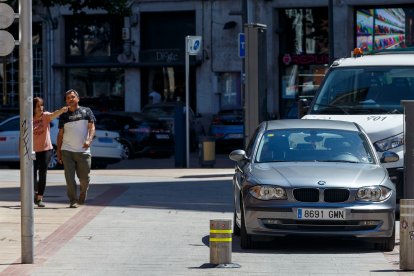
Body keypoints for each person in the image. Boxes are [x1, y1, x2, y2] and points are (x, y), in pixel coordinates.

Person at [57, 89, 96, 208]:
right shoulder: (63, 114)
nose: (70, 99)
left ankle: (83, 192)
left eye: (73, 97)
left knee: (84, 178)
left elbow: (92, 127)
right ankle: (73, 200)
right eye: (68, 98)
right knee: (69, 178)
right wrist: (58, 151)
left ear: (78, 99)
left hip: (83, 151)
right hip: (67, 150)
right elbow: (60, 134)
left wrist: (89, 140)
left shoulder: (86, 111)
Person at [33, 97, 69, 207]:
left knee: (43, 174)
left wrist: (62, 110)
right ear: (33, 107)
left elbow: (54, 114)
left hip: (46, 150)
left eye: (42, 105)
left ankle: (39, 198)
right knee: (32, 174)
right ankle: (34, 192)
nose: (41, 107)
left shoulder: (45, 116)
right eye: (38, 106)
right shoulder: (29, 118)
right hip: (33, 151)